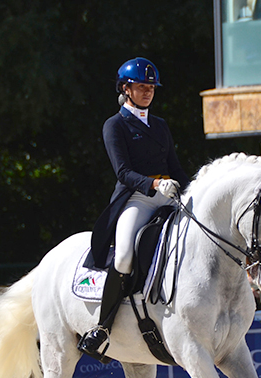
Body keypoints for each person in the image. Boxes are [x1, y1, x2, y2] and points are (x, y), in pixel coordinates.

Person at [79, 57, 190, 361]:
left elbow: (176, 168)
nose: (148, 91)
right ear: (125, 89)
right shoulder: (115, 125)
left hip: (169, 194)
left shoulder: (160, 125)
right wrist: (154, 185)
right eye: (141, 86)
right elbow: (123, 172)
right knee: (125, 255)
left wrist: (192, 189)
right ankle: (102, 328)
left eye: (151, 87)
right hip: (137, 197)